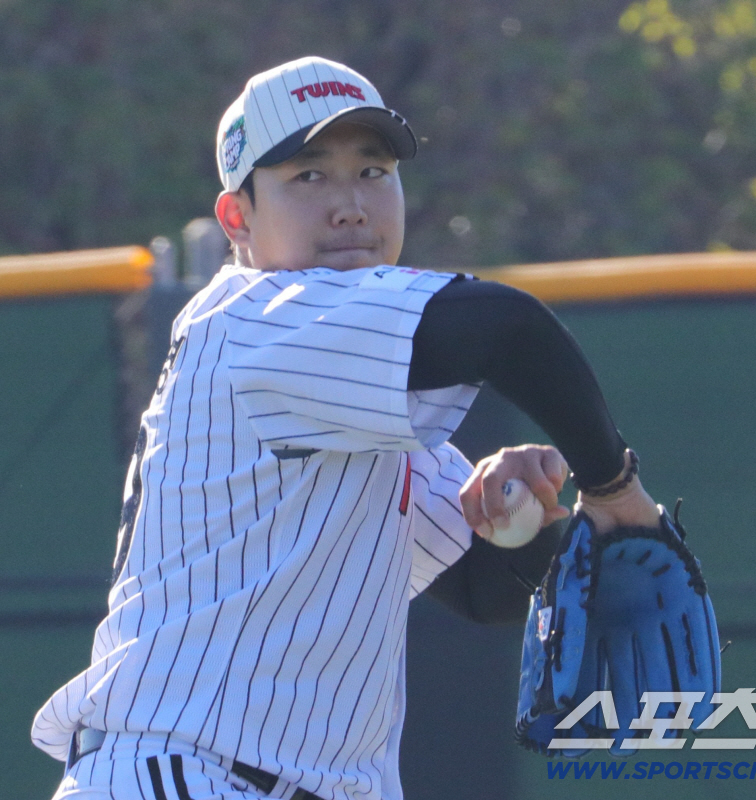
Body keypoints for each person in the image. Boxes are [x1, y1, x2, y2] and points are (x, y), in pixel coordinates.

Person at [32, 55, 660, 800]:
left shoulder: (338, 380)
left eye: (373, 172)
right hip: (183, 777)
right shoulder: (254, 323)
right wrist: (616, 492)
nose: (350, 206)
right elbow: (507, 327)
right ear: (238, 217)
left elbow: (481, 592)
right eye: (309, 176)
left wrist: (525, 516)